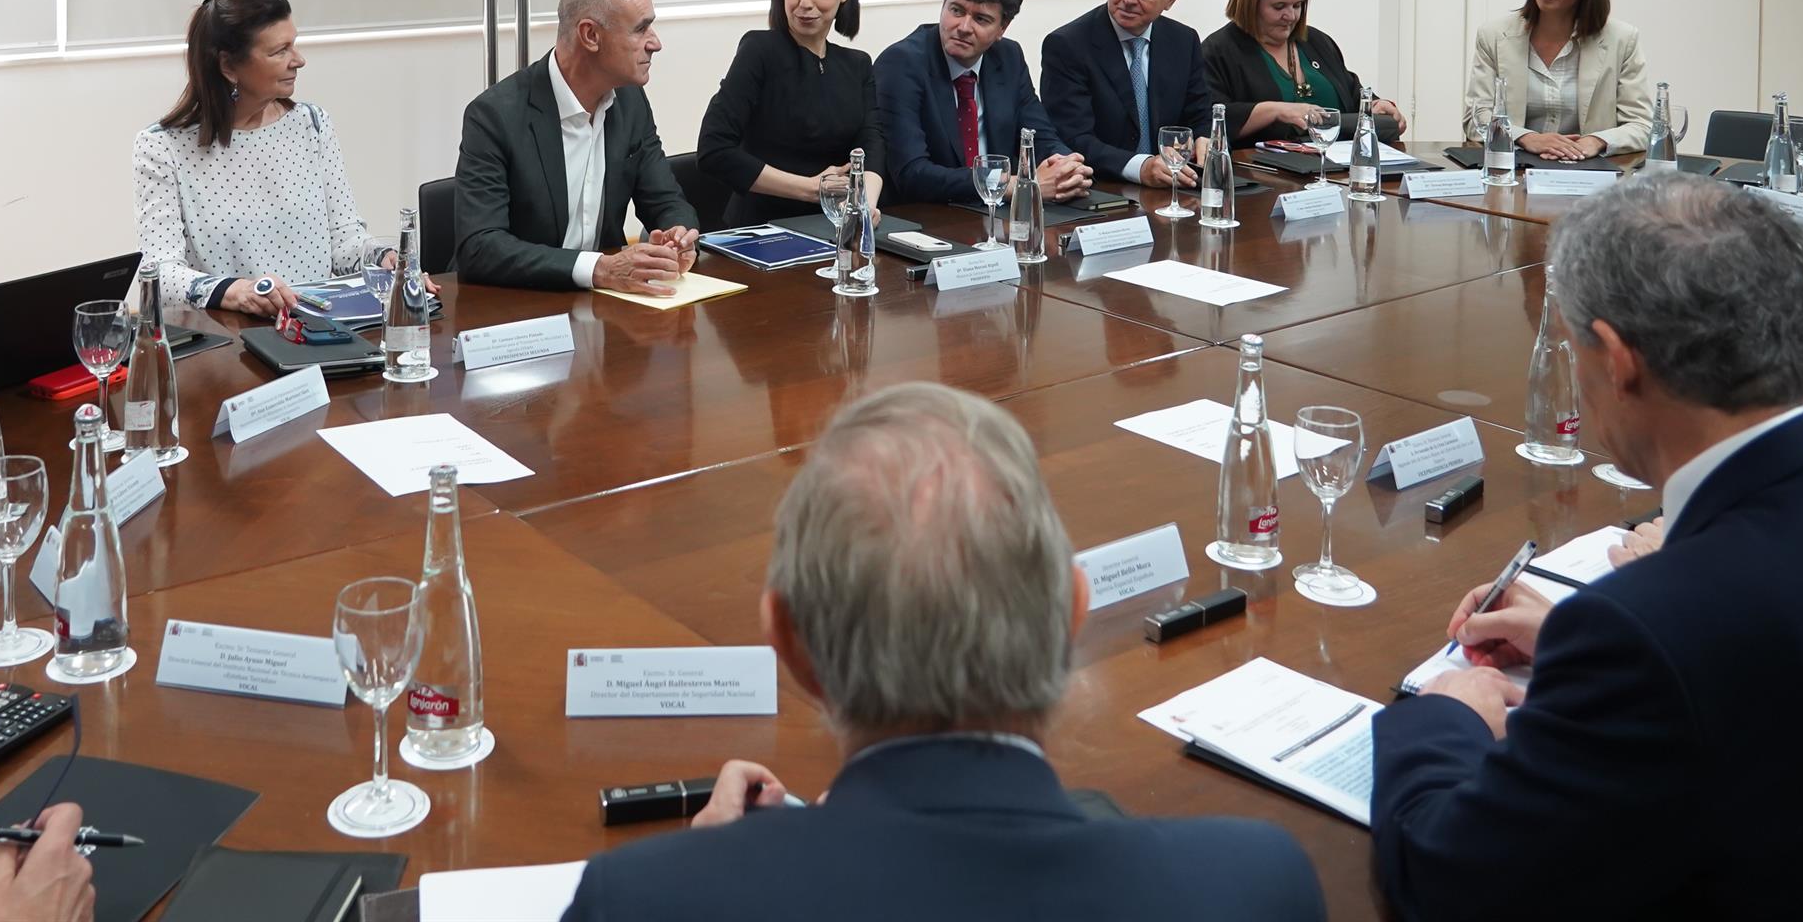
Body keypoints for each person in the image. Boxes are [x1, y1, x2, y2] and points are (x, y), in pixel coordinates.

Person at [562, 383, 1326, 921]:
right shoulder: (1255, 883)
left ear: (791, 648)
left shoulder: (643, 901)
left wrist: (713, 869)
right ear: (1072, 612)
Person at [1370, 173, 1803, 918]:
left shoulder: (1655, 631)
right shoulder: (1658, 630)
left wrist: (1445, 713)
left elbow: (1456, 883)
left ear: (1615, 359)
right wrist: (1581, 650)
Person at [455, 0, 699, 294]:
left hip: (606, 307)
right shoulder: (494, 116)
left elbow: (666, 199)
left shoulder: (630, 102)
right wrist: (596, 268)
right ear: (590, 36)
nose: (655, 43)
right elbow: (481, 247)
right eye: (641, 29)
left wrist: (677, 236)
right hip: (518, 309)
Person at [134, 0, 374, 315]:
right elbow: (159, 275)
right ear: (229, 66)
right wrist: (236, 292)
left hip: (315, 331)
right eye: (280, 51)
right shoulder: (163, 148)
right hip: (229, 344)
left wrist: (386, 259)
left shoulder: (313, 124)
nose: (299, 60)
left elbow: (345, 243)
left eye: (295, 44)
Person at [696, 0, 885, 226]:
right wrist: (811, 189)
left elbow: (871, 146)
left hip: (832, 226)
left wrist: (865, 204)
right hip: (762, 231)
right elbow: (714, 149)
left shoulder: (858, 65)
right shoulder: (759, 51)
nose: (803, 2)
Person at [874, 0, 1092, 206]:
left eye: (981, 19)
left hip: (997, 215)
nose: (964, 27)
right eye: (956, 10)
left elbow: (1039, 134)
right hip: (930, 216)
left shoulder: (1008, 57)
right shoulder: (902, 63)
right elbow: (912, 174)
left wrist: (1066, 165)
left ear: (1002, 28)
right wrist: (1012, 185)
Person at [1040, 0, 1213, 185]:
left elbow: (1199, 115)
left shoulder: (1183, 41)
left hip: (1173, 187)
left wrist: (1203, 139)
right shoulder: (1068, 45)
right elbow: (1074, 138)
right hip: (1103, 188)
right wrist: (1140, 168)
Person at [1462, 0, 1651, 159]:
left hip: (1588, 172)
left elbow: (1642, 125)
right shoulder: (1493, 35)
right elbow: (1476, 119)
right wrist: (1527, 137)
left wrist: (1597, 141)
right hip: (1516, 168)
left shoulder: (1621, 40)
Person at [1200, 0, 1405, 146]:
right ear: (1249, 3)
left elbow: (1352, 95)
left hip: (1337, 166)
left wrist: (1377, 106)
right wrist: (1275, 110)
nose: (1291, 16)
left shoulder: (1316, 41)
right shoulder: (1218, 51)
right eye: (1279, 7)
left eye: (1297, 5)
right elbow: (1210, 121)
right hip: (1264, 173)